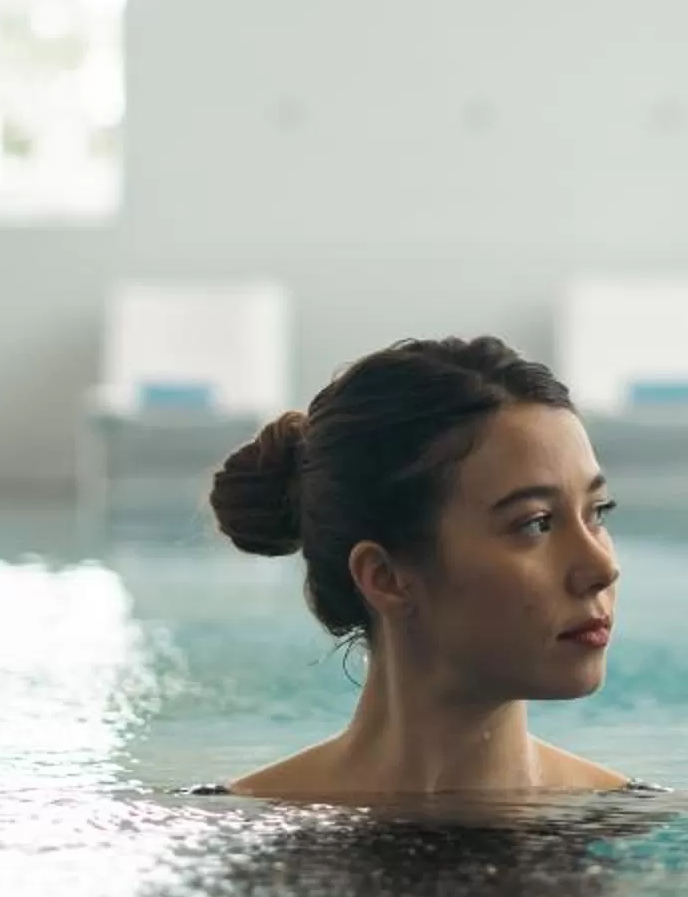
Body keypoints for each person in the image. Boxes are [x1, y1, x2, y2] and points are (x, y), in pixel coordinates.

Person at [199, 336, 637, 798]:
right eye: (536, 523)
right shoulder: (234, 841)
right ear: (386, 578)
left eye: (597, 512)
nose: (602, 567)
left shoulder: (646, 838)